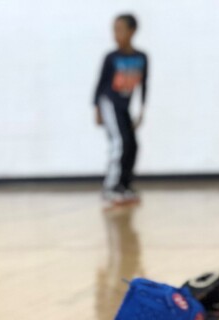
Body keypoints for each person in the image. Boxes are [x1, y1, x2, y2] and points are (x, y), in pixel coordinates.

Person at [94, 14, 148, 207]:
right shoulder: (111, 58)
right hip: (109, 103)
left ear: (132, 31)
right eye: (114, 30)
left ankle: (124, 185)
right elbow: (100, 85)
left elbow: (144, 85)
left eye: (121, 29)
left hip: (125, 107)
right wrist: (97, 109)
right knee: (119, 142)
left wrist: (141, 111)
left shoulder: (141, 57)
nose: (116, 34)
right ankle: (110, 187)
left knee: (132, 145)